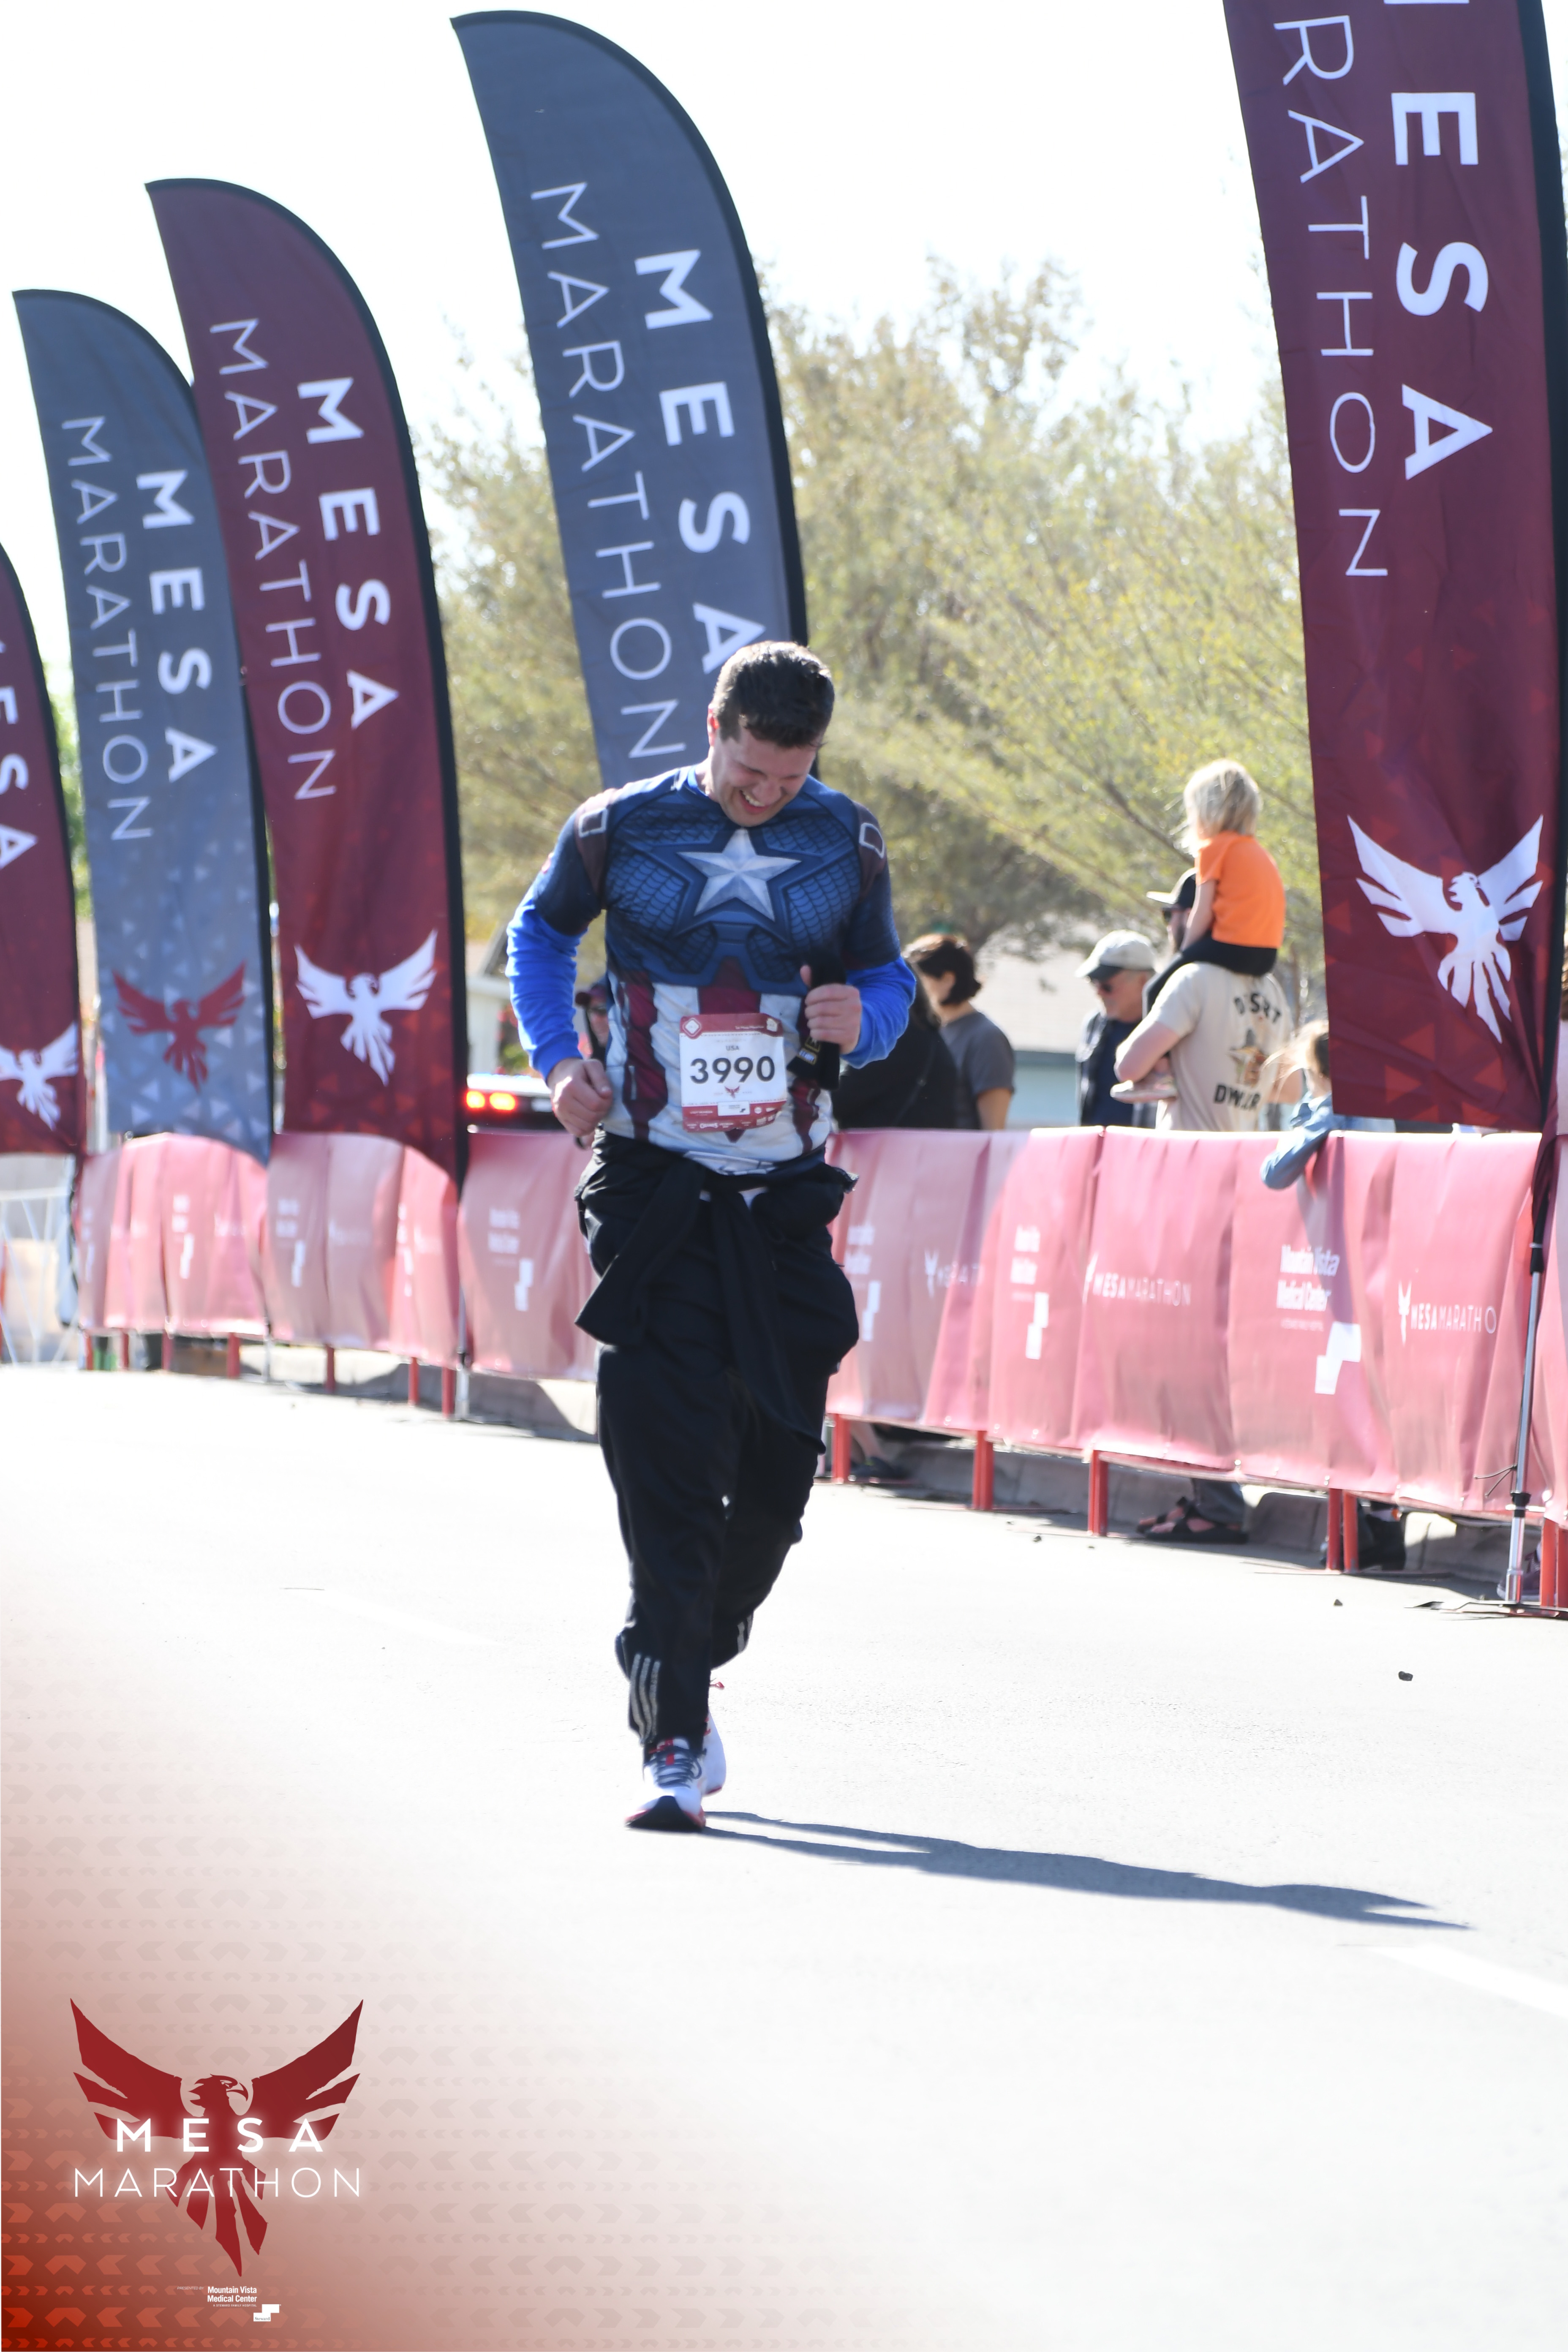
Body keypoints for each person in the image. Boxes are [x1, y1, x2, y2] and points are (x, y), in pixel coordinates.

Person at [506, 642, 914, 1832]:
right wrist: (556, 1058)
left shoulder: (847, 840)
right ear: (714, 727)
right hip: (653, 1183)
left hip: (781, 1192)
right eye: (750, 771)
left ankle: (683, 1637)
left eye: (791, 776)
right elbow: (540, 936)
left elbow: (888, 979)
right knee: (670, 1464)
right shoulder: (618, 828)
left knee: (777, 1485)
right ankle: (673, 1733)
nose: (767, 795)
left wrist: (868, 1014)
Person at [1112, 881, 1292, 1547]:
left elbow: (1126, 1060)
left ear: (1202, 913)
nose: (1169, 922)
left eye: (1174, 911)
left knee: (1188, 1353)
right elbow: (1282, 1085)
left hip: (1190, 1181)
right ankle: (1211, 1494)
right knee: (1217, 1351)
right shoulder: (1273, 991)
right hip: (1246, 1176)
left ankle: (1216, 1501)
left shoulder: (1191, 979)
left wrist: (1166, 1069)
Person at [1145, 759, 1287, 1004]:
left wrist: (1183, 954)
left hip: (1233, 948)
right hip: (1267, 956)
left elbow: (1203, 911)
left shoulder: (1213, 849)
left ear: (1206, 810)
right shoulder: (1261, 853)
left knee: (1154, 991)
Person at [906, 934, 1015, 1129]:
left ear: (947, 980)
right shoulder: (929, 1032)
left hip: (964, 1149)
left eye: (918, 981)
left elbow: (994, 1130)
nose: (910, 990)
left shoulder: (987, 1039)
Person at [831, 977, 958, 1128]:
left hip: (891, 1141)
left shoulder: (898, 1036)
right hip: (920, 1140)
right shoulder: (927, 1033)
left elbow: (840, 1099)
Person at [1074, 931, 1158, 1126]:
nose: (1099, 993)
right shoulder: (1094, 1024)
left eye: (1107, 986)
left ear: (1143, 981)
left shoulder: (1168, 1026)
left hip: (1144, 1143)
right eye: (1094, 983)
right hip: (1098, 1142)